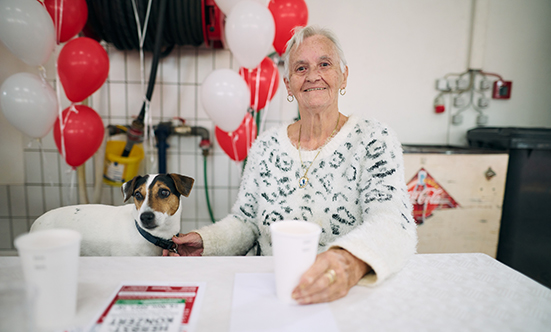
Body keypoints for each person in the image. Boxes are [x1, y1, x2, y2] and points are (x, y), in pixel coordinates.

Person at [164, 25, 417, 304]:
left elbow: (393, 221)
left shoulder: (374, 139)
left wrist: (348, 261)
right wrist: (206, 242)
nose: (313, 75)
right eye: (300, 68)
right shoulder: (266, 145)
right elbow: (246, 222)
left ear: (343, 76)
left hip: (343, 293)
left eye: (324, 64)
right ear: (288, 85)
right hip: (270, 290)